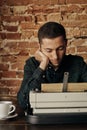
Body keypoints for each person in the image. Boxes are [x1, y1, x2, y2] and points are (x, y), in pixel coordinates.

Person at [17, 21, 87, 113]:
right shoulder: (32, 65)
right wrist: (42, 67)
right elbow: (23, 103)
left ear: (66, 43)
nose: (55, 56)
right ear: (40, 47)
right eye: (49, 50)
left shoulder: (78, 63)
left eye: (60, 49)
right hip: (41, 121)